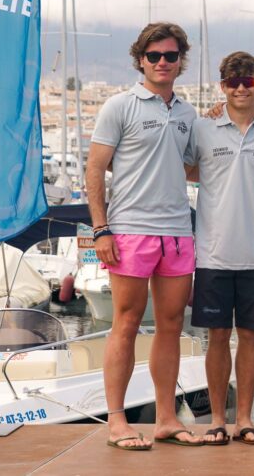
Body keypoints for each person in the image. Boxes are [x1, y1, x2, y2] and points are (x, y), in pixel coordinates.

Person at [86, 22, 202, 450]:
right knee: (126, 323)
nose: (162, 62)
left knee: (171, 325)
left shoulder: (188, 114)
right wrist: (101, 229)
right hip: (130, 230)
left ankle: (166, 418)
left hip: (178, 232)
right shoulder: (119, 106)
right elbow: (95, 169)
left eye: (171, 56)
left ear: (180, 61)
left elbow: (190, 167)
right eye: (154, 56)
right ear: (141, 60)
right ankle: (117, 421)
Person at [185, 52, 254, 446]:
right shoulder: (202, 128)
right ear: (222, 86)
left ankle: (244, 419)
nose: (241, 88)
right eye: (233, 82)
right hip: (213, 253)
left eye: (248, 81)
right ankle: (217, 420)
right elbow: (186, 168)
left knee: (250, 337)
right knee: (216, 337)